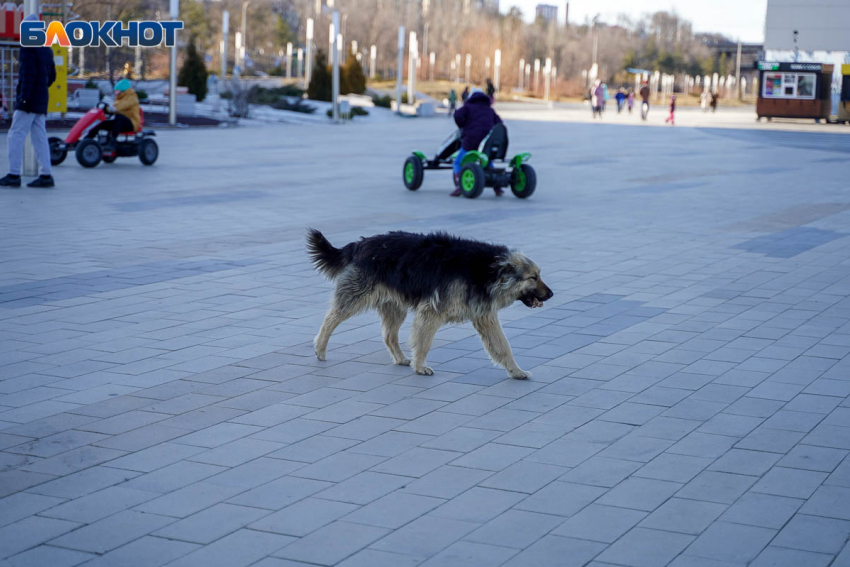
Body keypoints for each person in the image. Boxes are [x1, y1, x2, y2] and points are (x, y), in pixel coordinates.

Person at [0, 14, 56, 189]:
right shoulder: (46, 48)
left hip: (29, 100)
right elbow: (52, 76)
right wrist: (40, 90)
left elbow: (28, 75)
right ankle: (46, 175)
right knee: (39, 137)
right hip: (40, 100)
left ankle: (14, 174)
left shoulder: (28, 47)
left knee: (15, 135)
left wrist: (24, 99)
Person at [451, 87, 502, 197]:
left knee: (457, 162)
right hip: (487, 143)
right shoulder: (490, 110)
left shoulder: (468, 107)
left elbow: (457, 115)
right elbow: (500, 123)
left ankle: (459, 185)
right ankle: (497, 185)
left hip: (471, 141)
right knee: (487, 161)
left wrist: (463, 125)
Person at [85, 78, 140, 153]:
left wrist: (111, 109)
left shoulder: (132, 97)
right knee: (101, 122)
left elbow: (122, 106)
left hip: (132, 123)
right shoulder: (119, 98)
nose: (115, 92)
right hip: (121, 123)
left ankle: (112, 143)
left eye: (117, 90)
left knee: (119, 118)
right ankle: (87, 140)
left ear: (123, 90)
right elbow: (114, 109)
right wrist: (105, 109)